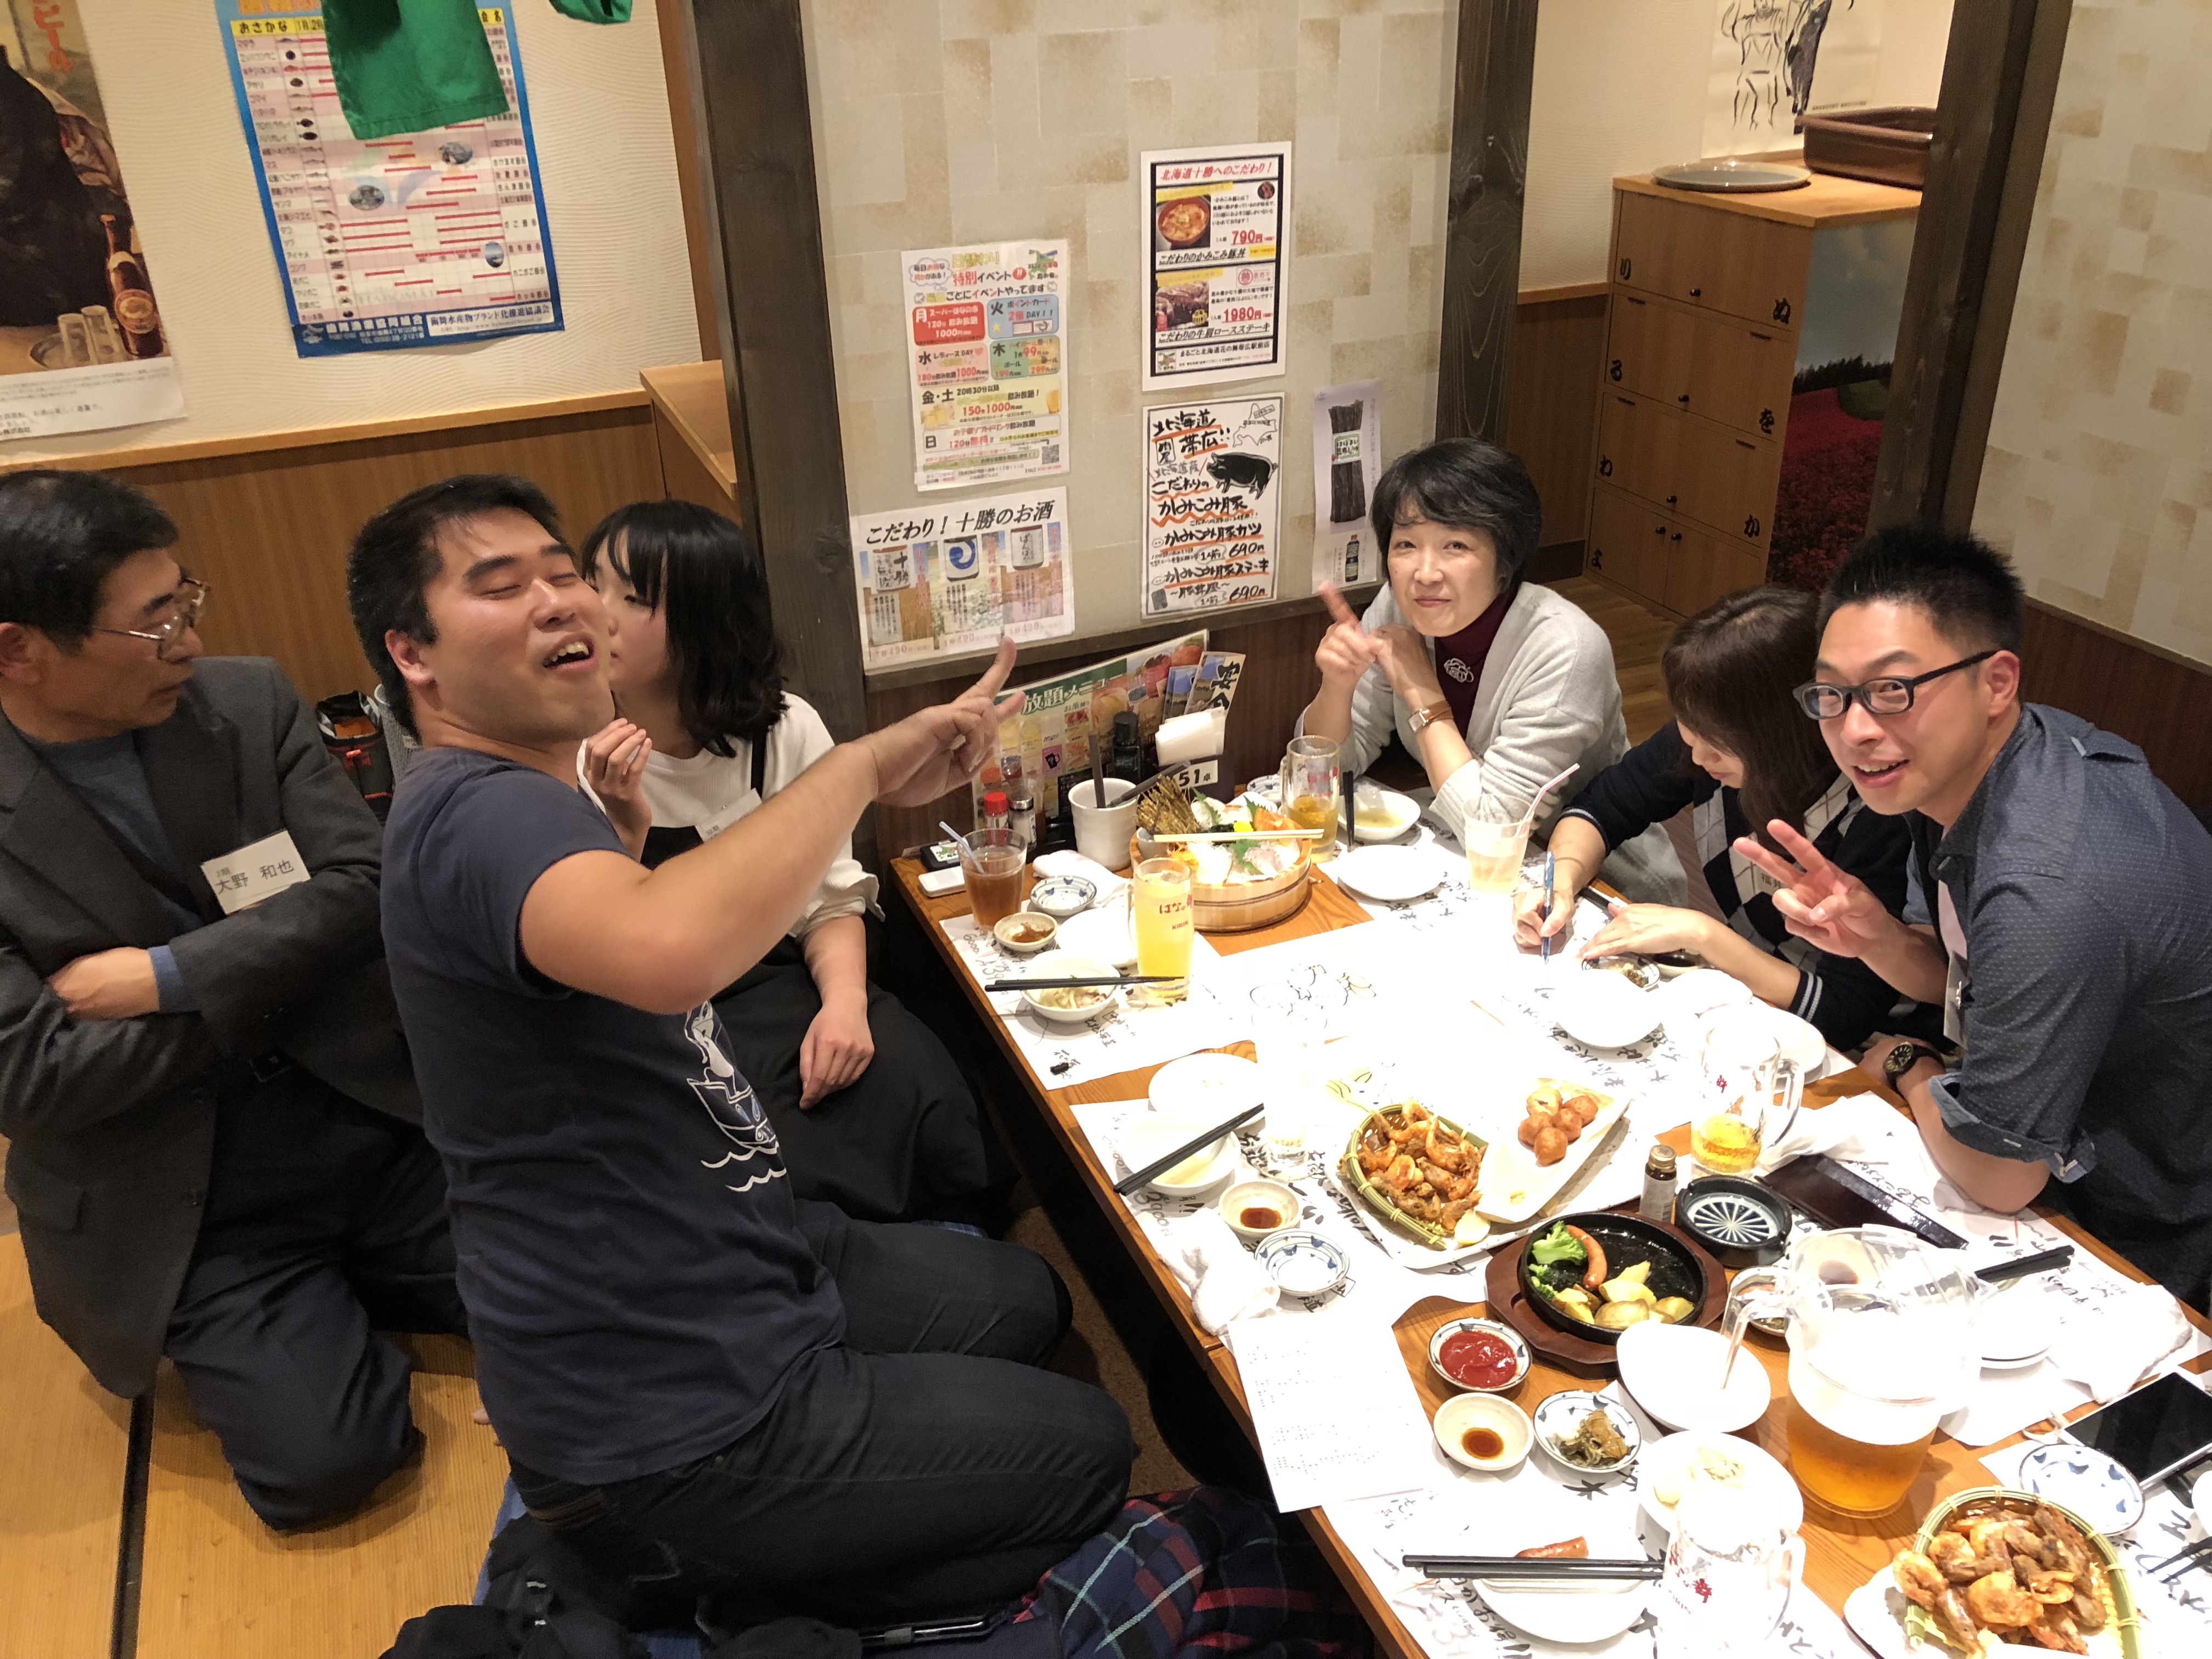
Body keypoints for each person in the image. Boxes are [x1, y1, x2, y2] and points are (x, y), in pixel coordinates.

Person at [346, 475, 1132, 1630]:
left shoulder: (541, 793)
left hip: (734, 1251)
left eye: (566, 574)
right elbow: (672, 951)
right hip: (668, 1413)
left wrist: (625, 845)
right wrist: (861, 765)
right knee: (1092, 1451)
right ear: (412, 654)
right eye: (502, 587)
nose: (562, 602)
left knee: (1023, 1296)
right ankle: (693, 1587)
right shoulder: (478, 809)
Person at [0, 469, 460, 1529]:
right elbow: (35, 1076)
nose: (188, 642)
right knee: (324, 1467)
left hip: (371, 1116)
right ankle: (318, 1313)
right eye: (152, 623)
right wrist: (276, 976)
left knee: (609, 1290)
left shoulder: (246, 700)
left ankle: (349, 1296)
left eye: (184, 601)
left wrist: (166, 977)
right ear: (19, 649)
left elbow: (365, 884)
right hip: (181, 1194)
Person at [1735, 526, 2212, 1307]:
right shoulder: (1999, 759)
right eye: (1833, 694)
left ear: (1996, 681)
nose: (1855, 729)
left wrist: (1908, 1064)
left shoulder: (2046, 885)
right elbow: (1957, 974)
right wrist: (1880, 939)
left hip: (2140, 1229)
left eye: (1894, 690)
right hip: (2067, 1148)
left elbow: (2000, 1176)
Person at [572, 498, 1000, 1224]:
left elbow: (830, 898)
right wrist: (620, 832)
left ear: (704, 620)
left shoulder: (782, 730)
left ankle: (958, 1244)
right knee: (771, 1155)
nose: (596, 613)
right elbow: (604, 958)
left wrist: (845, 1005)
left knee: (918, 1080)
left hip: (787, 978)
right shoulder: (575, 754)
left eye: (633, 597)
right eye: (593, 583)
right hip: (675, 1020)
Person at [1516, 586, 1934, 1051]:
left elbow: (1843, 1012)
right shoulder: (1706, 743)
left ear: (1785, 726)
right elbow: (1602, 807)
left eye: (1715, 738)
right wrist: (1562, 881)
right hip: (1754, 999)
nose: (1697, 754)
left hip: (1880, 1045)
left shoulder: (1876, 813)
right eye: (1690, 730)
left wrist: (1704, 935)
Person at [1299, 437, 1677, 894]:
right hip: (1462, 863)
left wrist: (1421, 691)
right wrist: (1337, 686)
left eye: (1455, 545)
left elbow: (1494, 829)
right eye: (1406, 545)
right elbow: (1322, 774)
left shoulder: (1565, 648)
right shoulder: (1401, 608)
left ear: (1505, 560)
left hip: (1597, 885)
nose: (1425, 573)